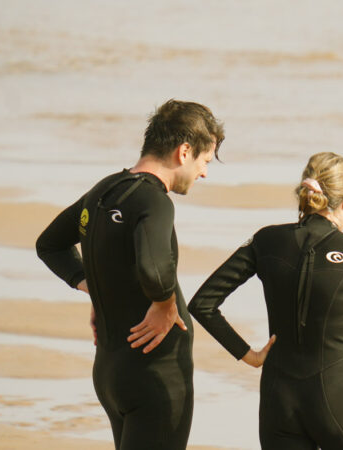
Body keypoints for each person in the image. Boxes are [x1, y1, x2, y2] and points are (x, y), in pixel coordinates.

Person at [36, 99, 225, 450]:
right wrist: (165, 302)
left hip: (111, 372)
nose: (204, 173)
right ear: (184, 151)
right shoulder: (155, 202)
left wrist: (95, 285)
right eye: (204, 161)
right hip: (156, 375)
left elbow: (50, 245)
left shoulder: (103, 191)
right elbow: (154, 268)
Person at [188, 152, 343, 450]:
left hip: (279, 399)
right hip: (337, 397)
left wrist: (247, 354)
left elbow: (202, 303)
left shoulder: (267, 240)